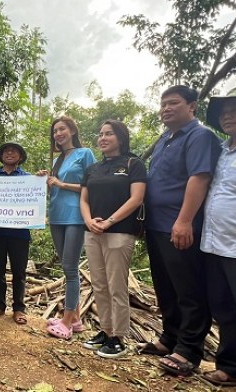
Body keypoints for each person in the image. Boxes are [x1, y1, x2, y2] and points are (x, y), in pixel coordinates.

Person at [141, 85, 221, 376]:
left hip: (181, 226)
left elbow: (199, 177)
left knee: (189, 289)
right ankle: (169, 338)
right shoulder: (165, 139)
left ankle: (188, 351)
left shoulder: (201, 137)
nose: (166, 109)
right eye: (163, 104)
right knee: (166, 286)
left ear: (192, 106)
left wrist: (185, 219)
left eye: (173, 103)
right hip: (156, 225)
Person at [79, 120, 147, 358]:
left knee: (116, 285)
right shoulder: (93, 169)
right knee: (98, 283)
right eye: (100, 134)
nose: (103, 138)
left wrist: (108, 222)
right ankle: (105, 330)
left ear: (120, 137)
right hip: (92, 232)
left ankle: (118, 337)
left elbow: (136, 199)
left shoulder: (133, 164)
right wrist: (88, 220)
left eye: (109, 134)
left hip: (119, 232)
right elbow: (84, 199)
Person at [200, 87, 236, 390]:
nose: (227, 115)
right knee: (224, 308)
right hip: (214, 243)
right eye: (224, 111)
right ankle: (231, 367)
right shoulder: (221, 150)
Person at [39, 116, 96, 339]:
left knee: (71, 269)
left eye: (62, 129)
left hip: (75, 215)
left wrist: (61, 183)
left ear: (72, 130)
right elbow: (53, 191)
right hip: (56, 215)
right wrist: (46, 180)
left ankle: (66, 321)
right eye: (55, 131)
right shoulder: (57, 159)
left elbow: (92, 185)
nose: (58, 134)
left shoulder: (85, 154)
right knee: (66, 266)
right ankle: (77, 318)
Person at [0, 142, 30, 325]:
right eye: (6, 151)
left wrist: (43, 181)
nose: (10, 153)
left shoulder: (29, 179)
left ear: (20, 157)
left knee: (19, 272)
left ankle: (19, 308)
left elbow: (37, 200)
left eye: (14, 151)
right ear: (1, 156)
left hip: (20, 233)